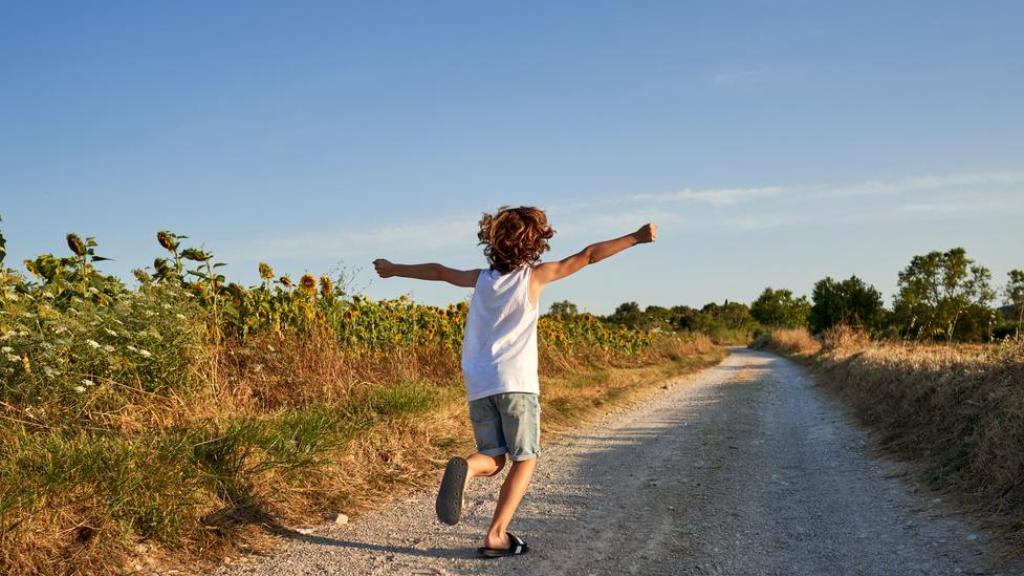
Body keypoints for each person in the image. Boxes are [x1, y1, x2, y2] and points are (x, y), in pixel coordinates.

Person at [373, 206, 656, 557]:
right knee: (525, 458)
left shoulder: (480, 279)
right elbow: (587, 256)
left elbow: (439, 271)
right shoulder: (534, 277)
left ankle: (469, 467)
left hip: (478, 383)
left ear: (491, 241)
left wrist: (393, 269)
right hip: (516, 384)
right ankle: (496, 534)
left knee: (493, 456)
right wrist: (636, 237)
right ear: (536, 243)